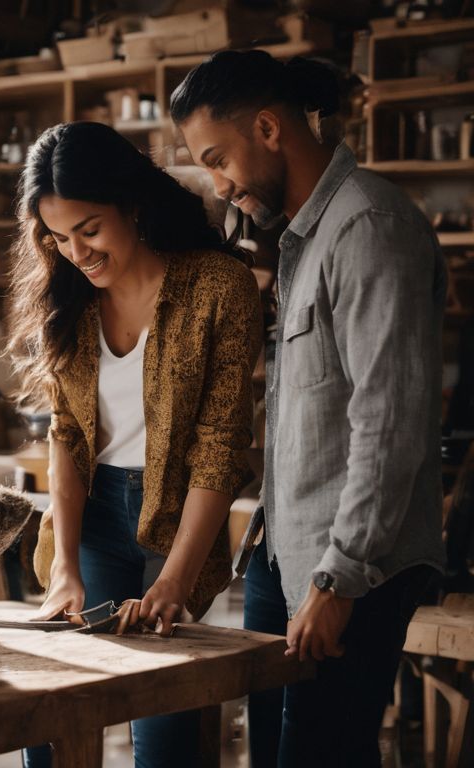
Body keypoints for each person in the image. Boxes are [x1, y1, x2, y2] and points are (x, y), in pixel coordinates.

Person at [171, 50, 445, 768]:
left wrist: (339, 576)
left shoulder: (369, 227)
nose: (220, 186)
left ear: (267, 127)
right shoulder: (300, 238)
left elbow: (390, 423)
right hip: (283, 550)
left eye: (217, 159)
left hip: (348, 564)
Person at [6, 121, 262, 767]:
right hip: (92, 519)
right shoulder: (67, 303)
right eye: (58, 238)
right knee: (55, 710)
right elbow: (66, 437)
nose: (76, 252)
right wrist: (64, 564)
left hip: (177, 522)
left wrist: (175, 579)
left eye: (89, 229)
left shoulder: (216, 287)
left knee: (165, 733)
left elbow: (219, 449)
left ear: (132, 204)